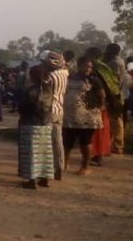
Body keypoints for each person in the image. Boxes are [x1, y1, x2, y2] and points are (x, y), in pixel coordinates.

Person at [63, 57, 105, 176]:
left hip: (87, 116)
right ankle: (63, 163)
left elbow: (102, 95)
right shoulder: (70, 77)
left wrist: (99, 107)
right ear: (79, 66)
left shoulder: (93, 80)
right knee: (67, 142)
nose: (88, 69)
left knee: (85, 142)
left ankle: (85, 167)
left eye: (90, 67)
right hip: (70, 115)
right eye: (85, 66)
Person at [17, 66, 54, 189]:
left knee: (31, 153)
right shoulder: (48, 89)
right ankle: (45, 179)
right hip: (45, 124)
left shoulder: (29, 90)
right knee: (44, 152)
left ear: (32, 76)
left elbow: (22, 108)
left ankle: (31, 180)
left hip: (30, 124)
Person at [39, 50, 69, 179]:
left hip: (49, 110)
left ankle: (45, 171)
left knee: (45, 141)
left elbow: (43, 95)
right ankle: (59, 168)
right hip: (59, 110)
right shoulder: (65, 74)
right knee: (58, 141)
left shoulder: (49, 77)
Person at [86, 47, 116, 166]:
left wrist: (101, 104)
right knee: (100, 131)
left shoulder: (95, 69)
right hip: (102, 103)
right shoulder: (104, 68)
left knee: (97, 131)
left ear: (92, 56)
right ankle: (97, 155)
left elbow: (101, 88)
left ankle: (97, 156)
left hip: (98, 104)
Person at [103, 44, 127, 154]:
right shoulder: (117, 60)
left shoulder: (115, 63)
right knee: (112, 120)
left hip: (114, 94)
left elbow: (114, 80)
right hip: (115, 94)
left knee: (116, 121)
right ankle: (112, 144)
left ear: (111, 51)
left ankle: (118, 146)